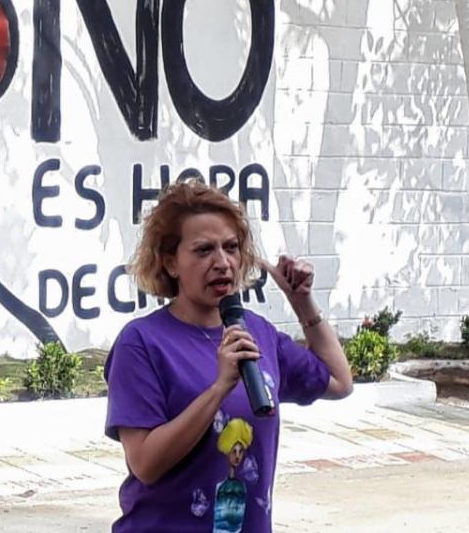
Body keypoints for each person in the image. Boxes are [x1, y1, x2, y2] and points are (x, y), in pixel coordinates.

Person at [104, 182, 353, 532]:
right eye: (204, 250)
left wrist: (302, 303)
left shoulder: (257, 332)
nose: (222, 263)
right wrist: (219, 388)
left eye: (231, 247)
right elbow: (145, 463)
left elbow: (339, 382)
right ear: (171, 263)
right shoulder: (142, 343)